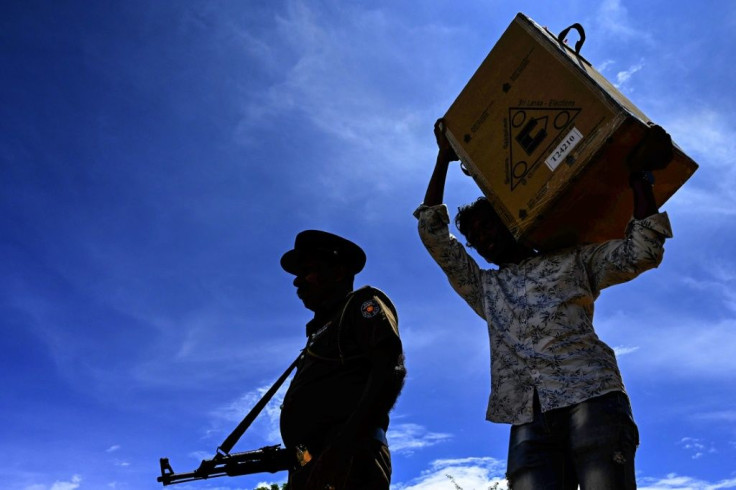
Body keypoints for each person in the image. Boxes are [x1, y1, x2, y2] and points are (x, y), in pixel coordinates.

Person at [414, 119, 674, 489]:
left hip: (592, 396)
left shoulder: (573, 260)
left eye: (488, 226)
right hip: (528, 415)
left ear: (510, 220)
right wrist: (443, 158)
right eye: (474, 238)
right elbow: (432, 233)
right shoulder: (485, 288)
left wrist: (641, 179)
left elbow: (642, 251)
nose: (482, 240)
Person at [279, 230, 406, 490]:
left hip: (348, 456)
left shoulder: (361, 303)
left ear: (338, 272)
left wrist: (342, 449)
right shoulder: (319, 332)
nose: (297, 282)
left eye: (308, 271)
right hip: (313, 462)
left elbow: (390, 367)